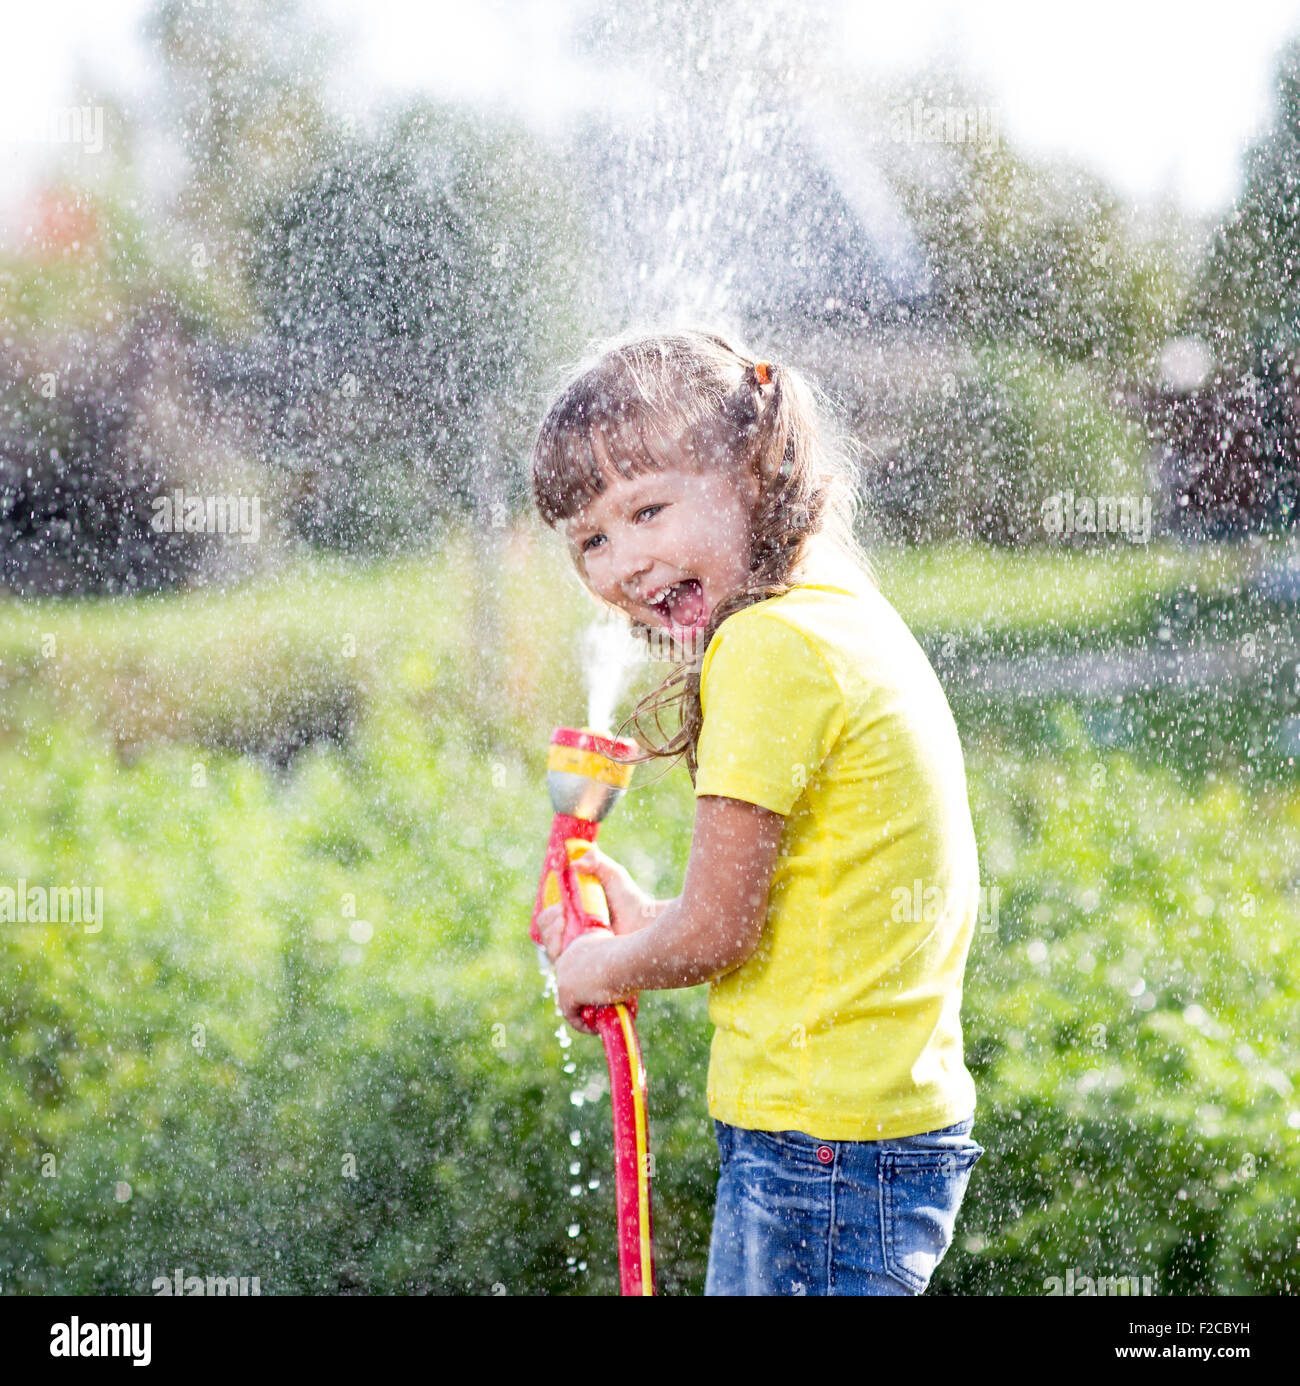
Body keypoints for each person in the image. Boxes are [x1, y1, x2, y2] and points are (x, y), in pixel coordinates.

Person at [530, 326, 984, 1296]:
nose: (622, 565)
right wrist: (654, 922)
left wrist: (601, 962)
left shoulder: (768, 648)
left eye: (647, 510)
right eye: (591, 540)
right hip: (871, 1130)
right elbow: (786, 911)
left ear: (752, 467)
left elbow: (722, 935)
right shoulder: (839, 611)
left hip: (816, 1146)